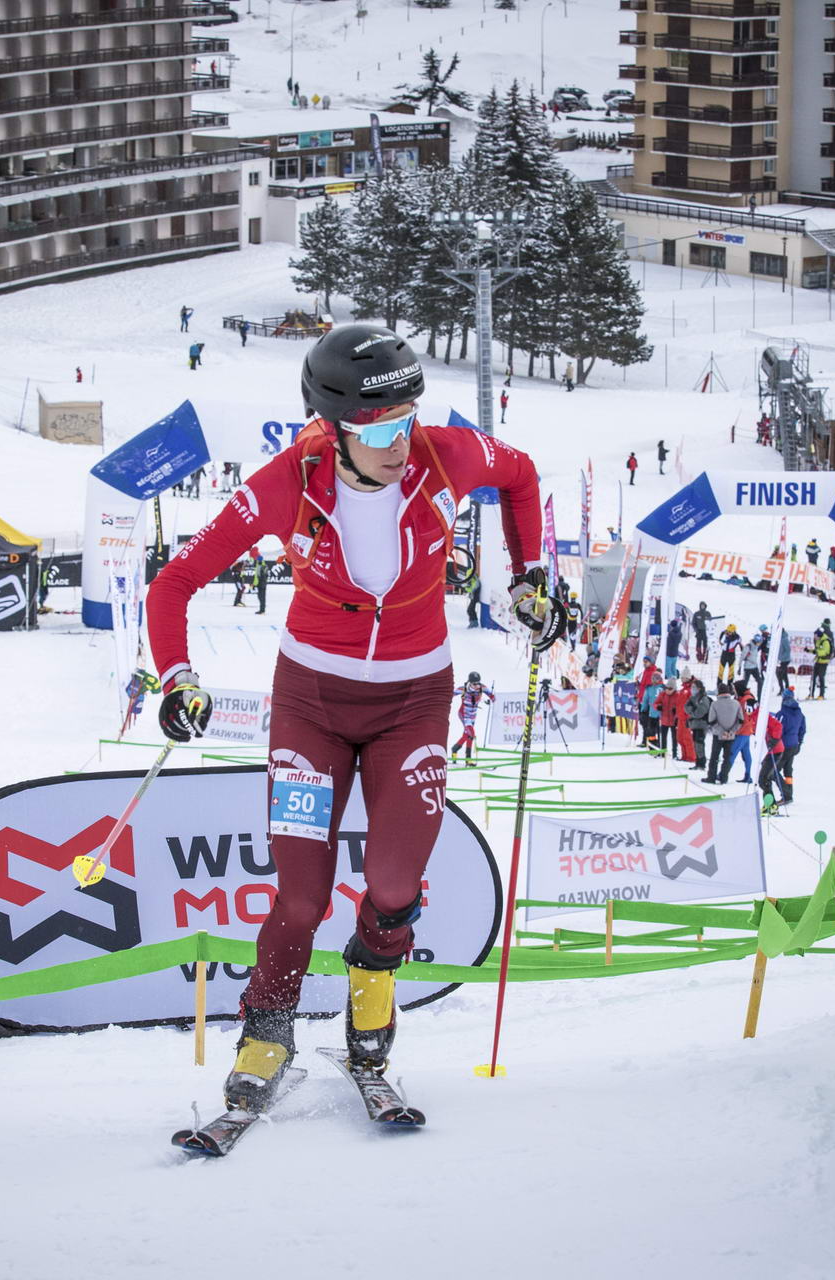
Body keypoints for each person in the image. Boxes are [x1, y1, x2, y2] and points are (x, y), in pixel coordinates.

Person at [143, 323, 552, 1115]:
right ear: (333, 431)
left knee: (395, 883)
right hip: (312, 705)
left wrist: (530, 575)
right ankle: (267, 1032)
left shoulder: (446, 456)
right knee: (300, 894)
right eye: (380, 430)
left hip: (414, 699)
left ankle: (372, 991)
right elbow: (174, 584)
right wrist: (178, 677)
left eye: (408, 419)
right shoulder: (282, 483)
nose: (402, 443)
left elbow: (525, 475)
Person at [450, 672, 496, 763]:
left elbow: (492, 696)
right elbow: (450, 694)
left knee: (466, 735)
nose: (477, 685)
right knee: (471, 734)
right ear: (470, 682)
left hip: (473, 715)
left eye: (478, 683)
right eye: (474, 684)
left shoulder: (482, 687)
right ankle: (468, 759)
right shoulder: (463, 689)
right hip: (464, 715)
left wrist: (491, 700)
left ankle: (454, 749)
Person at [775, 686, 806, 804]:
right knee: (788, 770)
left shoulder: (782, 714)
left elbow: (778, 730)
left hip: (784, 746)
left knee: (774, 770)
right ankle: (789, 795)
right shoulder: (799, 713)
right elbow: (803, 728)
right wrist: (799, 741)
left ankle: (786, 793)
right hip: (794, 745)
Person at [705, 682, 740, 783]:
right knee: (727, 758)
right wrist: (731, 731)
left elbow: (711, 720)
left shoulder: (715, 704)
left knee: (714, 757)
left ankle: (711, 777)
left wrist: (722, 731)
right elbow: (740, 720)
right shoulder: (736, 703)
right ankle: (724, 778)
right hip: (731, 736)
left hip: (718, 735)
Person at [757, 707, 787, 813]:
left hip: (775, 751)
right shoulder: (753, 715)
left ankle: (771, 806)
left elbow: (778, 726)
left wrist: (774, 739)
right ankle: (771, 805)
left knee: (763, 780)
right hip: (768, 751)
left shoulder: (762, 715)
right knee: (764, 779)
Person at [684, 677, 712, 772]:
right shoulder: (692, 698)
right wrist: (692, 711)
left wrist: (692, 712)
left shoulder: (703, 698)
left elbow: (700, 712)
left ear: (699, 688)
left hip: (701, 725)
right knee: (695, 744)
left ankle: (702, 762)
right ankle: (697, 762)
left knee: (700, 744)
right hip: (694, 724)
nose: (692, 689)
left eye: (694, 687)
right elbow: (686, 707)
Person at [810, 626, 834, 699]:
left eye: (815, 635)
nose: (814, 637)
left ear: (819, 635)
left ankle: (821, 695)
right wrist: (809, 650)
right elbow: (817, 650)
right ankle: (811, 694)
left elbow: (825, 652)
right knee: (813, 678)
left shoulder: (825, 641)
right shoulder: (818, 640)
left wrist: (817, 652)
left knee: (821, 678)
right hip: (818, 661)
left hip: (824, 662)